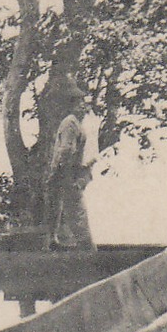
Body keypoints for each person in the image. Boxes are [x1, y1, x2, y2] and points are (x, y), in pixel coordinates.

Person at [44, 78, 96, 251]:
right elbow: (65, 151)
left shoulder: (72, 123)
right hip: (68, 173)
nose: (82, 105)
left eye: (81, 101)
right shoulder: (71, 123)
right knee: (68, 210)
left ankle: (85, 248)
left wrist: (60, 174)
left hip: (69, 173)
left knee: (73, 211)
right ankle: (81, 247)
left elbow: (66, 151)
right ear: (69, 104)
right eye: (77, 101)